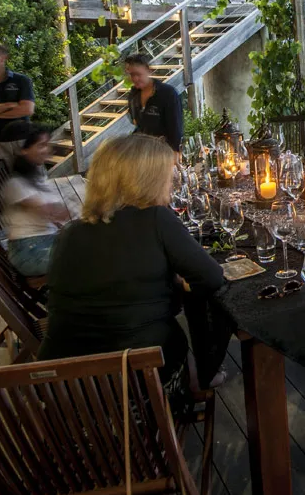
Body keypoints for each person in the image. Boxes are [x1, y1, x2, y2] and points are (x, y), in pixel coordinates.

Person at [38, 134, 227, 404]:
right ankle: (203, 375)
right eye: (167, 176)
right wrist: (178, 289)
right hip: (136, 393)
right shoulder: (156, 219)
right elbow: (212, 277)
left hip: (68, 395)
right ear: (148, 180)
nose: (171, 183)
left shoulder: (69, 233)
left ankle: (199, 373)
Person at [0, 122, 70, 278]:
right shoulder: (16, 184)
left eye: (47, 144)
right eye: (41, 145)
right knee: (90, 256)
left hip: (46, 243)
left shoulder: (37, 178)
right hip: (30, 252)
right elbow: (52, 212)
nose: (48, 150)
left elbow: (58, 216)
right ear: (23, 149)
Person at [124, 53, 183, 154]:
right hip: (143, 153)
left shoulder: (167, 93)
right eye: (131, 75)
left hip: (164, 153)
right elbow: (138, 126)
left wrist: (175, 153)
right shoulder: (133, 96)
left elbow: (176, 129)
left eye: (138, 74)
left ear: (148, 70)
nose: (134, 79)